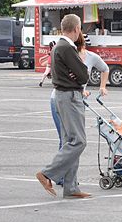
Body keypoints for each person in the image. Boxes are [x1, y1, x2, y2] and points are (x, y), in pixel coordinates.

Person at [35, 14, 91, 199]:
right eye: (80, 29)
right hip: (70, 97)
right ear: (76, 29)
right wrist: (79, 72)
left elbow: (77, 74)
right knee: (79, 141)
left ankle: (71, 187)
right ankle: (47, 173)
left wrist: (76, 73)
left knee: (70, 141)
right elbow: (83, 75)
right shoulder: (67, 47)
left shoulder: (58, 46)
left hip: (61, 95)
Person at [49, 33, 109, 149]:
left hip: (77, 100)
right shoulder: (66, 54)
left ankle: (63, 167)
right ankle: (57, 167)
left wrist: (102, 86)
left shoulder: (91, 57)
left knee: (75, 140)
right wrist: (80, 90)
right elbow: (62, 78)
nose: (78, 53)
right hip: (62, 98)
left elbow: (105, 69)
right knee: (67, 140)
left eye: (80, 49)